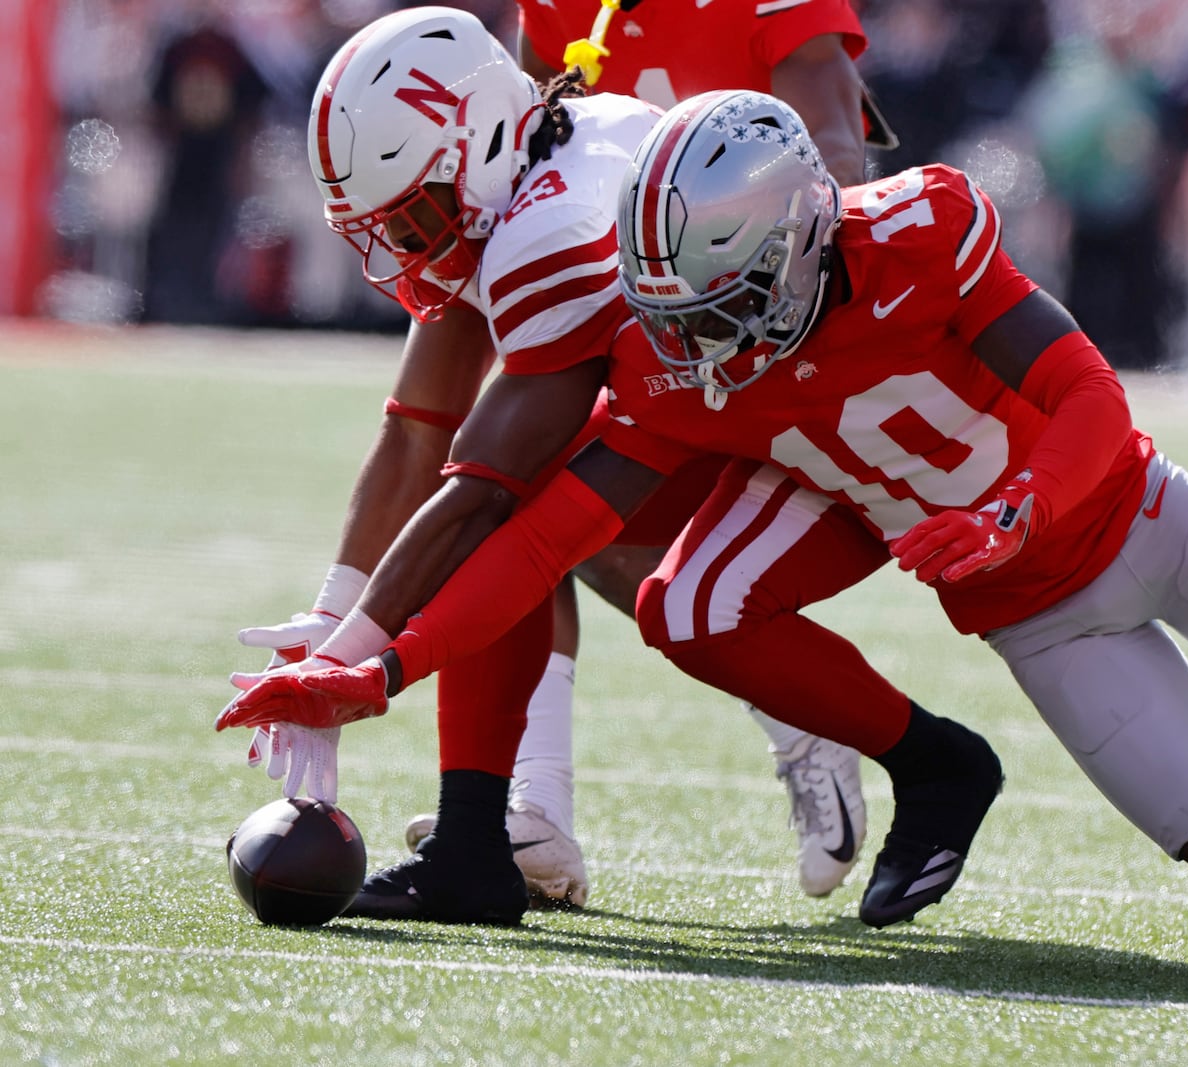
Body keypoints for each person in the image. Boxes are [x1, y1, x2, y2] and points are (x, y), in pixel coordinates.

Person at [224, 89, 1188, 974]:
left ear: (795, 243)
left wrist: (1022, 505)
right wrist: (380, 667)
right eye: (669, 311)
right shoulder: (671, 370)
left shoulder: (918, 233)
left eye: (712, 302)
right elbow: (534, 537)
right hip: (1041, 624)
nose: (689, 343)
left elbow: (1081, 391)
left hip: (1148, 519)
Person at [233, 7, 872, 914]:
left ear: (480, 139)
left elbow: (837, 164)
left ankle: (804, 716)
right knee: (532, 488)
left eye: (412, 219)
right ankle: (521, 820)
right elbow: (419, 421)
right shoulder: (516, 149)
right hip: (651, 359)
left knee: (531, 500)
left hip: (774, 375)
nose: (405, 252)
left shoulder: (544, 216)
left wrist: (352, 659)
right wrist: (335, 609)